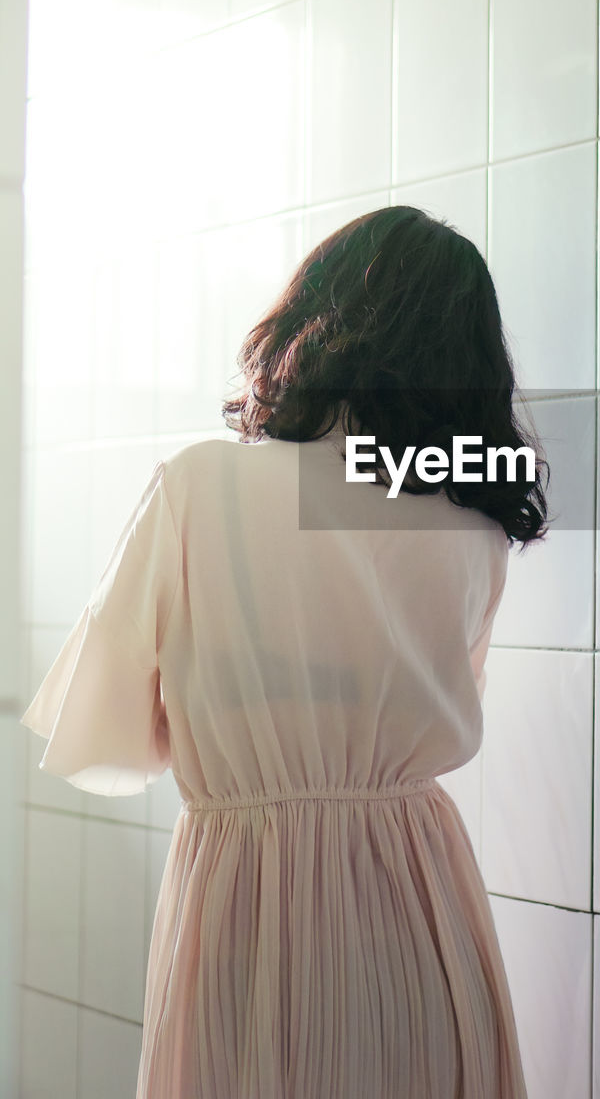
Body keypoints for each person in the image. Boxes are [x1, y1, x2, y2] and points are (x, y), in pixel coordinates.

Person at [20, 204, 550, 1098]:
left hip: (248, 897)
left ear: (316, 322)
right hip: (421, 895)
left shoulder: (200, 486)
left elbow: (103, 740)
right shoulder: (477, 522)